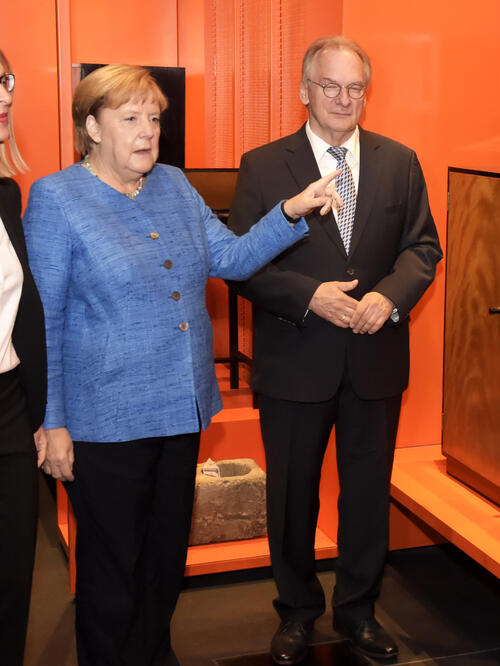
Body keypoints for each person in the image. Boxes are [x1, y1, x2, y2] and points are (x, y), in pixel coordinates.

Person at [24, 63, 341, 666]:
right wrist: (52, 421)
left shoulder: (172, 183)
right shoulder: (57, 198)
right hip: (104, 421)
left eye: (154, 119)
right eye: (131, 119)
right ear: (92, 127)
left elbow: (233, 258)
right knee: (112, 573)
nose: (148, 131)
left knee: (164, 562)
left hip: (180, 409)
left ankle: (153, 653)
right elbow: (47, 321)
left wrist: (291, 210)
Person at [228, 35, 441, 664]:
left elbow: (422, 247)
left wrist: (390, 297)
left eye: (355, 88)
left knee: (367, 495)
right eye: (330, 86)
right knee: (291, 497)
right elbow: (240, 262)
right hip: (296, 358)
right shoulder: (263, 165)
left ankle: (359, 611)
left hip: (375, 358)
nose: (344, 99)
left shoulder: (399, 161)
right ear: (304, 90)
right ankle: (296, 612)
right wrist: (309, 297)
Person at [0, 49, 48, 666]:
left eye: (5, 80)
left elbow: (26, 315)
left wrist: (40, 413)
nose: (6, 94)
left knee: (12, 581)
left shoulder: (7, 195)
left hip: (9, 408)